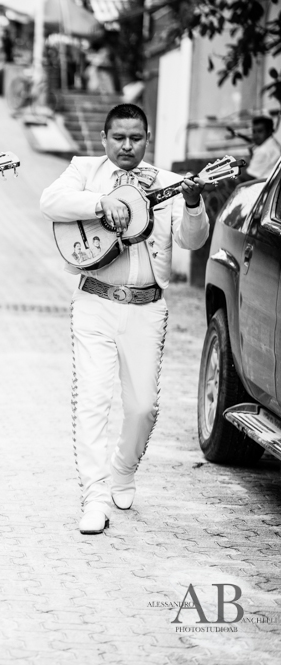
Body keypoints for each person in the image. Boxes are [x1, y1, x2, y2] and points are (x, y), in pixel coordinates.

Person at [40, 103, 208, 535]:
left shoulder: (168, 183)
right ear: (104, 138)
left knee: (143, 408)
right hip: (94, 302)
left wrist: (193, 204)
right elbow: (50, 201)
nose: (127, 146)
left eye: (136, 138)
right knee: (92, 401)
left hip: (147, 307)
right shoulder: (84, 170)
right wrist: (102, 202)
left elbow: (192, 241)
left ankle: (123, 468)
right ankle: (94, 497)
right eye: (118, 137)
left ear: (147, 139)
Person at [236, 116, 281, 181]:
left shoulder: (264, 150)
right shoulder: (272, 144)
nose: (256, 135)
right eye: (254, 132)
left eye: (260, 131)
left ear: (269, 132)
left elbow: (247, 177)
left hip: (260, 185)